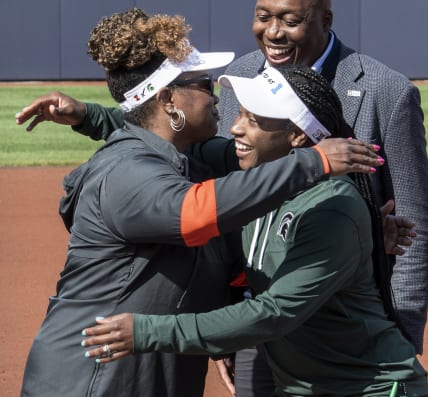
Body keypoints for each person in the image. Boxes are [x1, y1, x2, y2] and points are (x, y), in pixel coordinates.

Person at [18, 8, 383, 397]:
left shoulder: (187, 157)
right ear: (169, 99)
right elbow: (194, 214)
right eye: (203, 84)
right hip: (93, 378)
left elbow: (256, 159)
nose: (216, 96)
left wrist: (357, 230)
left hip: (144, 373)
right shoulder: (127, 172)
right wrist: (315, 160)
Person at [80, 66, 428, 397]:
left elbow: (272, 314)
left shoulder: (332, 207)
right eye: (240, 114)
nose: (235, 129)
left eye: (254, 120)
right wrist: (88, 116)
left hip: (369, 387)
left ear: (297, 135)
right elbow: (173, 135)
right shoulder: (261, 185)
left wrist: (145, 331)